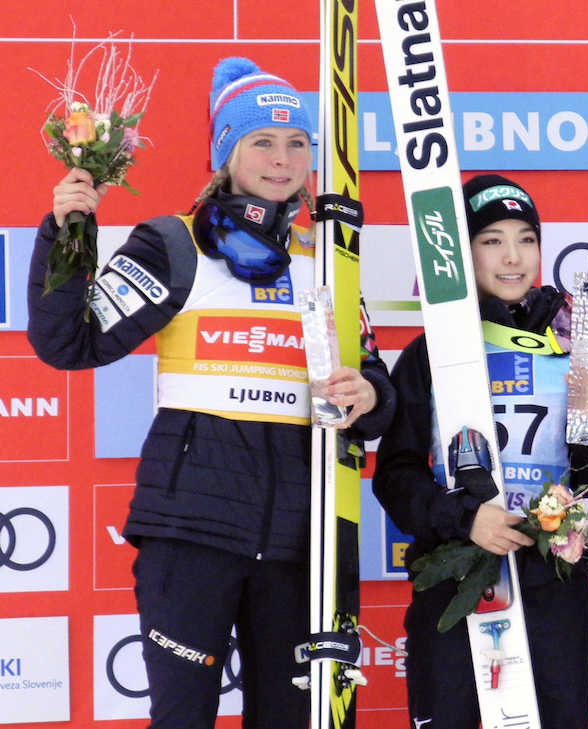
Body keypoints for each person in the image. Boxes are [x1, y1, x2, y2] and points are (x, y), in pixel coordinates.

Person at [27, 57, 395, 729]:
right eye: (261, 141)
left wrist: (369, 393)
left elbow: (375, 385)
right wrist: (68, 234)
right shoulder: (174, 243)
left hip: (298, 541)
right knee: (182, 718)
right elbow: (68, 342)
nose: (282, 160)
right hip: (191, 530)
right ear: (226, 152)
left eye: (297, 143)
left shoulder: (331, 257)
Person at [373, 174, 588, 729]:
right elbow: (397, 475)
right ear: (464, 254)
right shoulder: (431, 352)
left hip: (553, 578)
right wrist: (465, 519)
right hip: (453, 577)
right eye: (492, 240)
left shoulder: (574, 345)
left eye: (526, 238)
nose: (513, 257)